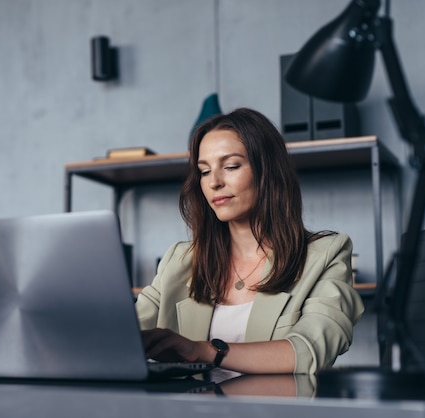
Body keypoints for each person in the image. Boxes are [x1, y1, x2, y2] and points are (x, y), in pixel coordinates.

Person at [136, 107, 364, 375]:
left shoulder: (326, 254)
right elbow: (123, 336)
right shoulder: (180, 259)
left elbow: (308, 352)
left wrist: (205, 351)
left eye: (231, 166)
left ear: (267, 171)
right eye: (204, 171)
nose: (214, 182)